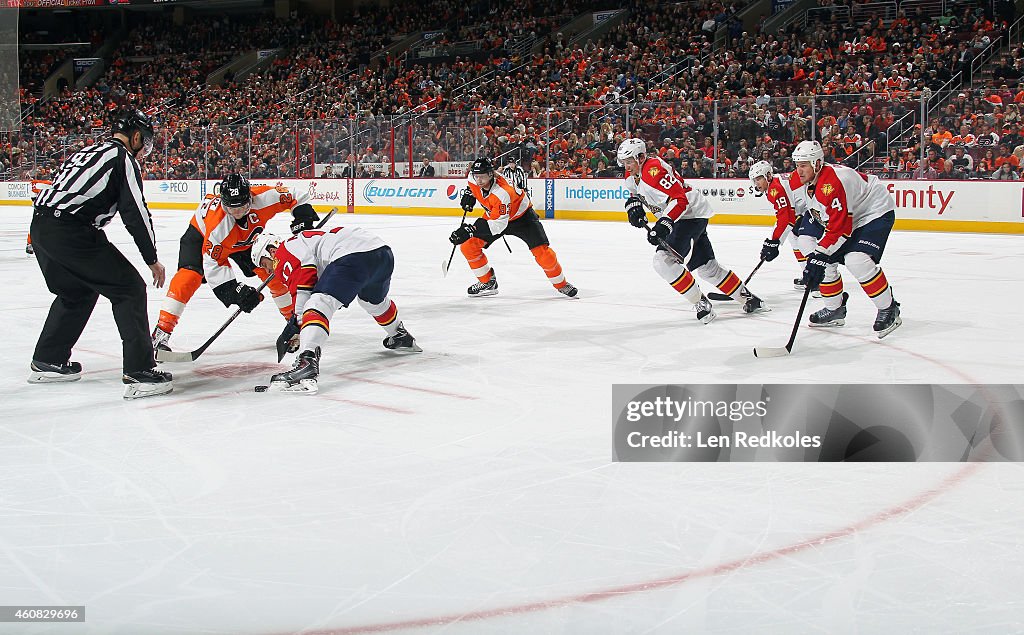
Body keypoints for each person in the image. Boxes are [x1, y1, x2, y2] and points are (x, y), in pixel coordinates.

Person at [28, 109, 172, 399]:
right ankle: (139, 370)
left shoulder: (89, 151)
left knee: (76, 292)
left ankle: (48, 359)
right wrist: (151, 258)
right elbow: (135, 212)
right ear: (135, 137)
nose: (146, 149)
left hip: (42, 226)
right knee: (129, 288)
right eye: (146, 142)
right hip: (72, 231)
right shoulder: (123, 158)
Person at [151, 173, 319, 353]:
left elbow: (294, 195)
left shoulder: (263, 197)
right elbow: (214, 265)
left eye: (242, 207)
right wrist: (236, 292)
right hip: (201, 237)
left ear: (250, 199)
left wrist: (303, 217)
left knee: (273, 274)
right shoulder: (218, 228)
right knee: (189, 277)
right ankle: (161, 332)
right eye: (231, 209)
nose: (237, 213)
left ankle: (294, 324)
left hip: (244, 241)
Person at [250, 229, 421, 394]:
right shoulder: (301, 242)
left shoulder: (282, 251)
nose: (267, 271)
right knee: (372, 301)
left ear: (271, 250)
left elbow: (304, 277)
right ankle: (400, 335)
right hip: (382, 253)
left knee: (318, 303)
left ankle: (306, 364)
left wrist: (299, 318)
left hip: (352, 255)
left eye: (264, 264)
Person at [617, 138, 768, 324]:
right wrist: (633, 205)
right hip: (688, 216)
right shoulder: (631, 174)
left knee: (663, 261)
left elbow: (680, 200)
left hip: (690, 215)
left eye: (629, 161)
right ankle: (750, 299)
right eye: (624, 162)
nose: (626, 166)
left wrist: (664, 224)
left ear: (641, 157)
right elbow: (635, 193)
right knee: (707, 268)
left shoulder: (653, 170)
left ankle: (701, 303)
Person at [792, 140, 901, 338]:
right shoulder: (801, 179)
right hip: (840, 213)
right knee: (806, 241)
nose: (799, 170)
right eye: (797, 165)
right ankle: (835, 308)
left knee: (856, 259)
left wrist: (819, 256)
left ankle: (888, 307)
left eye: (804, 165)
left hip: (872, 211)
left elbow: (840, 229)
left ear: (817, 163)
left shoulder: (833, 182)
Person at [449, 157, 577, 298]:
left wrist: (471, 230)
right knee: (468, 247)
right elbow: (474, 187)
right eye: (476, 176)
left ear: (491, 175)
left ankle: (561, 284)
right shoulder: (473, 178)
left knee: (543, 253)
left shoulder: (503, 192)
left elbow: (499, 225)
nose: (478, 180)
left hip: (522, 217)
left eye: (482, 177)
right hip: (496, 214)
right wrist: (470, 194)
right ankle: (488, 282)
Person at [747, 160, 828, 293]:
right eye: (754, 180)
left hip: (817, 205)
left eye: (759, 179)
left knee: (804, 241)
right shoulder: (773, 185)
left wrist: (774, 241)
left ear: (768, 176)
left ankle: (819, 278)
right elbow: (786, 216)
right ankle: (808, 274)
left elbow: (786, 218)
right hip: (805, 208)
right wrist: (774, 240)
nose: (757, 183)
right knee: (794, 239)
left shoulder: (775, 189)